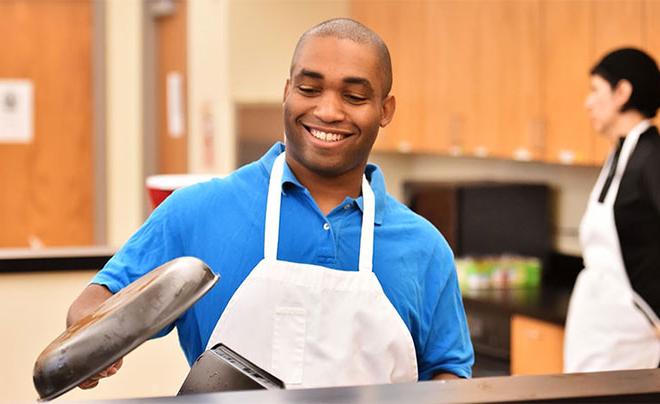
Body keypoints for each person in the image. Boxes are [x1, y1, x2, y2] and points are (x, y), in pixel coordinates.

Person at [67, 18, 474, 389]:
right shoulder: (196, 213)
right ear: (287, 91)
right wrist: (92, 343)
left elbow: (449, 375)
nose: (327, 111)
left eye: (353, 96)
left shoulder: (423, 248)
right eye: (309, 89)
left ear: (385, 110)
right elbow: (98, 301)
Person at [564, 47, 660, 373]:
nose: (587, 102)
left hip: (631, 340)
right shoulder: (620, 155)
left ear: (623, 92)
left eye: (595, 90)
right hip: (601, 335)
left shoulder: (651, 158)